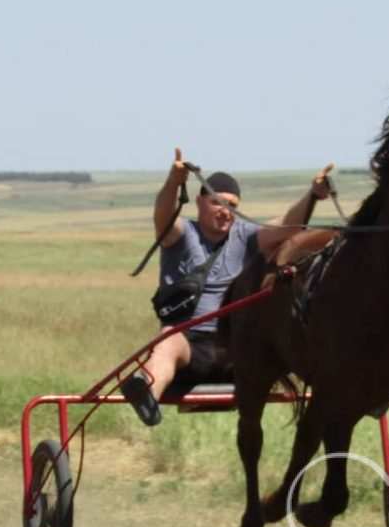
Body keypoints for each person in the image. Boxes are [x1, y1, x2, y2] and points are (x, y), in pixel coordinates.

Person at [122, 148, 333, 426]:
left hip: (236, 348)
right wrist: (174, 181)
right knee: (168, 340)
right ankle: (147, 391)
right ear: (199, 202)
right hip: (189, 348)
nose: (225, 211)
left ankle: (349, 385)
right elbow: (163, 214)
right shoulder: (180, 234)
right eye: (217, 202)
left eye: (232, 205)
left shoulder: (246, 236)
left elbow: (287, 225)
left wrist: (313, 194)